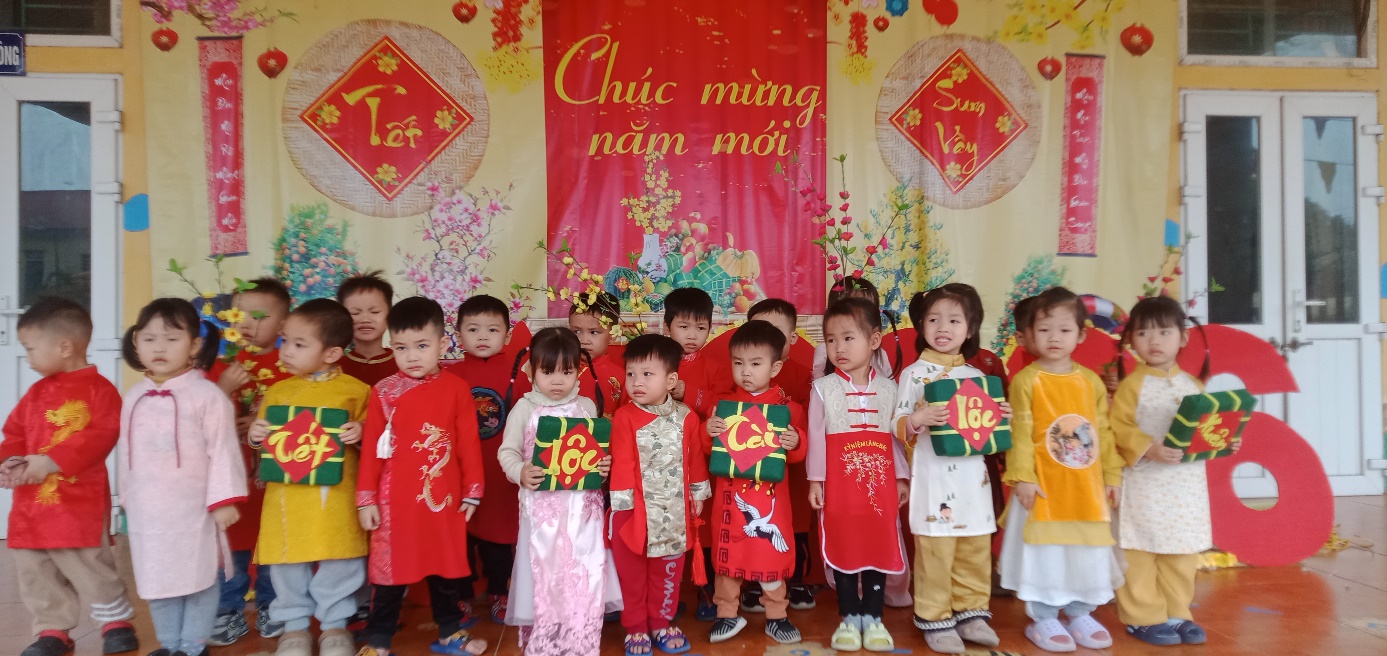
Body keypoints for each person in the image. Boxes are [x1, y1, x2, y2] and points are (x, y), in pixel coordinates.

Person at [1, 298, 139, 656]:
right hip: (31, 506)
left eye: (31, 348)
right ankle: (52, 629)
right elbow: (14, 432)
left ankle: (114, 622)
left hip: (78, 504)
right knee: (36, 569)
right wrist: (10, 461)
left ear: (64, 347)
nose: (27, 358)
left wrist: (52, 462)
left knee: (89, 563)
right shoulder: (36, 393)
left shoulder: (100, 391)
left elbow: (102, 435)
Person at [355, 297, 488, 656]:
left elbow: (468, 444)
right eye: (401, 348)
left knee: (446, 569)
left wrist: (473, 491)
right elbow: (372, 451)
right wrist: (366, 499)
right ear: (391, 346)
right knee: (388, 576)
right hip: (394, 504)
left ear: (442, 345)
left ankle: (450, 633)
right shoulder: (384, 392)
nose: (411, 356)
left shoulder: (457, 389)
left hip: (443, 499)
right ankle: (378, 642)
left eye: (422, 346)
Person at [118, 298, 248, 656]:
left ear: (194, 345)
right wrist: (126, 498)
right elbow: (126, 455)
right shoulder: (133, 397)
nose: (159, 347)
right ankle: (170, 644)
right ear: (136, 343)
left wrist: (223, 500)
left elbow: (223, 449)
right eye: (149, 339)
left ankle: (192, 646)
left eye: (172, 339)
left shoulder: (208, 396)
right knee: (156, 578)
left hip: (195, 509)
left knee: (198, 576)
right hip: (148, 512)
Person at [999, 287, 1124, 653]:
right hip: (1043, 488)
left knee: (1084, 550)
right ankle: (1044, 616)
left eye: (1064, 330)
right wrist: (1023, 476)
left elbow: (1103, 432)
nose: (1054, 338)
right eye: (1044, 330)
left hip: (1085, 488)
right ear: (1028, 335)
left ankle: (1080, 611)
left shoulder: (1090, 381)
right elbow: (1020, 432)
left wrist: (1112, 476)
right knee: (1047, 553)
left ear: (1081, 335)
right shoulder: (1027, 381)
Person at [247, 299, 370, 656]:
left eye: (299, 344)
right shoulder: (278, 392)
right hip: (288, 499)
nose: (286, 351)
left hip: (336, 498)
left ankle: (335, 624)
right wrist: (256, 435)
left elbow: (379, 440)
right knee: (287, 560)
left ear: (332, 353)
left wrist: (361, 431)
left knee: (340, 558)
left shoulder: (357, 391)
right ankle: (295, 627)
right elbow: (266, 439)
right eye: (285, 341)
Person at [893, 285, 1009, 654]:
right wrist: (917, 419)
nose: (943, 327)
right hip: (934, 480)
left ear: (970, 329)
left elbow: (991, 434)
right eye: (934, 319)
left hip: (974, 482)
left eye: (954, 320)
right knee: (936, 550)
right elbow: (895, 423)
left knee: (974, 546)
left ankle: (972, 613)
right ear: (922, 326)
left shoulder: (978, 377)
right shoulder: (913, 374)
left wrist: (1001, 416)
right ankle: (935, 617)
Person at [1112, 296, 1231, 646]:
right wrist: (1148, 447)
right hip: (1145, 484)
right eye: (1143, 333)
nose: (1154, 341)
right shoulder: (1131, 386)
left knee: (1181, 551)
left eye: (1164, 332)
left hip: (1184, 487)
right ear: (1131, 341)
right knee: (1140, 552)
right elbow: (1117, 428)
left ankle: (1178, 614)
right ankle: (1142, 617)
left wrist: (1226, 438)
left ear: (1183, 337)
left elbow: (1207, 427)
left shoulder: (1194, 385)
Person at [498, 327, 621, 655]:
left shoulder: (586, 407)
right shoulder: (524, 408)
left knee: (584, 571)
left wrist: (603, 466)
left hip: (583, 513)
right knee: (548, 576)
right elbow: (507, 452)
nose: (557, 381)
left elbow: (596, 453)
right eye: (548, 371)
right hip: (543, 515)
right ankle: (548, 640)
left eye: (566, 372)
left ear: (578, 370)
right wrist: (520, 471)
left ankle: (582, 639)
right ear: (532, 371)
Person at [806, 298, 908, 652]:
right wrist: (816, 480)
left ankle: (874, 618)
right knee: (844, 544)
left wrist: (901, 477)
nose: (839, 348)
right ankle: (849, 617)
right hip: (840, 486)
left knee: (878, 543)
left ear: (874, 340)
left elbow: (895, 439)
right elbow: (816, 438)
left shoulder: (890, 389)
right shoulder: (823, 388)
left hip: (880, 486)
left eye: (848, 338)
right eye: (831, 340)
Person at [701, 321, 806, 645]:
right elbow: (708, 450)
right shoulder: (723, 408)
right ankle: (726, 614)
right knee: (727, 559)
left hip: (769, 503)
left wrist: (795, 441)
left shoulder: (787, 411)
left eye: (755, 363)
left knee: (770, 557)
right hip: (730, 502)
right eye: (738, 363)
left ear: (775, 367)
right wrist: (708, 431)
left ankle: (777, 615)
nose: (746, 371)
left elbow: (798, 455)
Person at [608, 334, 710, 656]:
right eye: (631, 374)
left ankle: (661, 622)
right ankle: (636, 627)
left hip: (675, 513)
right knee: (633, 576)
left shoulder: (687, 417)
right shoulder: (624, 417)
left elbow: (695, 459)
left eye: (647, 374)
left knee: (667, 574)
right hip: (634, 514)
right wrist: (622, 510)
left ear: (671, 380)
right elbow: (622, 464)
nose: (636, 382)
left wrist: (697, 495)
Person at [207, 277, 293, 645]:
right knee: (234, 541)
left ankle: (274, 605)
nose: (247, 323)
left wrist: (264, 421)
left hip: (276, 478)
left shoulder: (292, 366)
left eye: (260, 316)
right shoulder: (223, 367)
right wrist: (224, 391)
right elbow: (201, 420)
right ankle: (227, 609)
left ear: (283, 324)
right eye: (239, 314)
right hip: (234, 476)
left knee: (275, 540)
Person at [447, 294, 530, 622]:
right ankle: (460, 594)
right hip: (459, 471)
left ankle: (500, 590)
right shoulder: (448, 376)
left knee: (500, 536)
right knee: (459, 536)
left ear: (507, 335)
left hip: (500, 471)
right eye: (473, 329)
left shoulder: (521, 375)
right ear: (458, 334)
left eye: (492, 330)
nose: (482, 336)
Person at [660, 287, 732, 620]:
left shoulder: (716, 366)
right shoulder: (657, 362)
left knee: (702, 525)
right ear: (667, 327)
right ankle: (667, 595)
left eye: (700, 328)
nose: (692, 335)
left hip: (701, 459)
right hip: (662, 459)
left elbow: (726, 406)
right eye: (684, 326)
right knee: (668, 525)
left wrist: (689, 392)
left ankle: (707, 591)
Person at [743, 299, 816, 612]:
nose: (766, 337)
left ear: (793, 338)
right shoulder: (743, 375)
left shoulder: (804, 375)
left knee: (793, 525)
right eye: (758, 329)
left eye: (775, 331)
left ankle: (796, 580)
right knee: (753, 528)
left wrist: (795, 438)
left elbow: (812, 422)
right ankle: (751, 584)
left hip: (792, 473)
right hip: (750, 473)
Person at [568, 291, 626, 417]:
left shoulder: (621, 376)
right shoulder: (560, 367)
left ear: (613, 335)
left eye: (594, 332)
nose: (584, 340)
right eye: (576, 331)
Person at [338, 271, 398, 386]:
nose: (365, 319)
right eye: (355, 313)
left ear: (389, 315)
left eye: (374, 312)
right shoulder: (334, 368)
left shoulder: (404, 366)